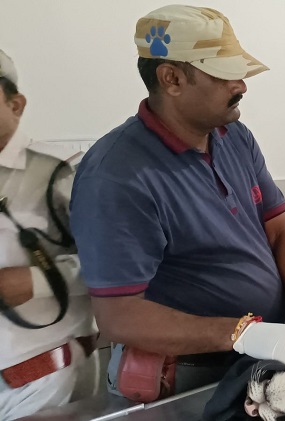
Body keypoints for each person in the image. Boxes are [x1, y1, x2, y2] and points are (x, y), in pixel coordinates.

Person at [69, 5, 285, 394]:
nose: (242, 85)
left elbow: (279, 226)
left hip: (254, 359)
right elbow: (119, 317)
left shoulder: (234, 137)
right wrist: (242, 332)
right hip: (183, 374)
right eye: (226, 74)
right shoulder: (118, 175)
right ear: (172, 78)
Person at [0, 49, 99, 419]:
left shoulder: (60, 172)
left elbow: (116, 266)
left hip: (43, 378)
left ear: (16, 104)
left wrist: (35, 281)